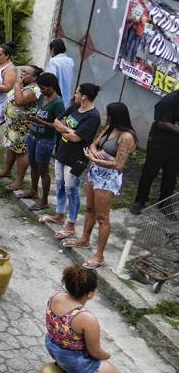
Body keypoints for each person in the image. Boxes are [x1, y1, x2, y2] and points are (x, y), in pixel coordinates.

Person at [63, 103, 138, 266]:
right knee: (90, 209)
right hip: (95, 172)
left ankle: (99, 256)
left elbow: (119, 164)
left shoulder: (126, 136)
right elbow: (93, 143)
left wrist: (95, 159)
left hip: (108, 178)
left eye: (108, 114)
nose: (106, 117)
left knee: (103, 217)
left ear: (116, 116)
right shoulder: (110, 128)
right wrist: (94, 152)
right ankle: (84, 240)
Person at [39, 83, 101, 241]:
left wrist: (66, 129)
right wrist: (69, 129)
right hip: (61, 153)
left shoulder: (93, 116)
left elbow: (76, 138)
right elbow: (56, 123)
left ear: (84, 97)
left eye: (77, 92)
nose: (75, 95)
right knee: (59, 184)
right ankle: (59, 215)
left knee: (71, 189)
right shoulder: (74, 107)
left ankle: (71, 224)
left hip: (76, 159)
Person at [131, 88, 179, 217]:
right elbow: (162, 123)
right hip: (159, 143)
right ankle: (139, 201)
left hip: (176, 147)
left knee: (170, 177)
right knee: (150, 172)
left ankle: (164, 205)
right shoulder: (170, 100)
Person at [23, 72, 66, 209]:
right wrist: (32, 116)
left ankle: (44, 200)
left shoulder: (58, 103)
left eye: (44, 88)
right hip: (33, 135)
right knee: (33, 165)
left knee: (43, 170)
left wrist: (39, 121)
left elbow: (59, 126)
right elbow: (39, 112)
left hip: (45, 140)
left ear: (52, 86)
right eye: (40, 88)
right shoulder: (42, 97)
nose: (41, 91)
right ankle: (33, 190)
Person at [0, 64, 40, 189]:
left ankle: (19, 181)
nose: (23, 74)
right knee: (11, 148)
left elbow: (20, 101)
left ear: (35, 78)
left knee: (21, 152)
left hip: (23, 128)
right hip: (13, 126)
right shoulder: (23, 85)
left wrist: (16, 84)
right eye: (23, 71)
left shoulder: (34, 89)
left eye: (26, 74)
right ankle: (6, 170)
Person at [46, 38, 75, 105]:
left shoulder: (53, 61)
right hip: (66, 98)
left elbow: (48, 80)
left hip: (55, 98)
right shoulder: (70, 61)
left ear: (53, 49)